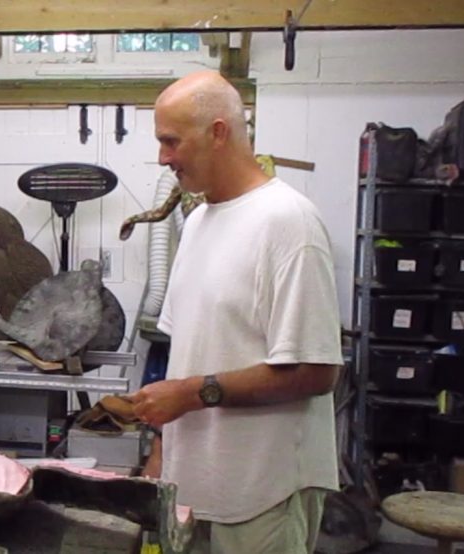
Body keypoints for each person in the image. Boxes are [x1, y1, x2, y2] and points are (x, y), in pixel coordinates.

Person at [130, 71, 343, 554]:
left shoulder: (290, 223)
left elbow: (317, 370)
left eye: (170, 141)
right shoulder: (201, 219)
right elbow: (186, 358)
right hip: (194, 490)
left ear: (219, 133)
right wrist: (161, 454)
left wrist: (191, 393)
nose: (163, 157)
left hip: (262, 494)